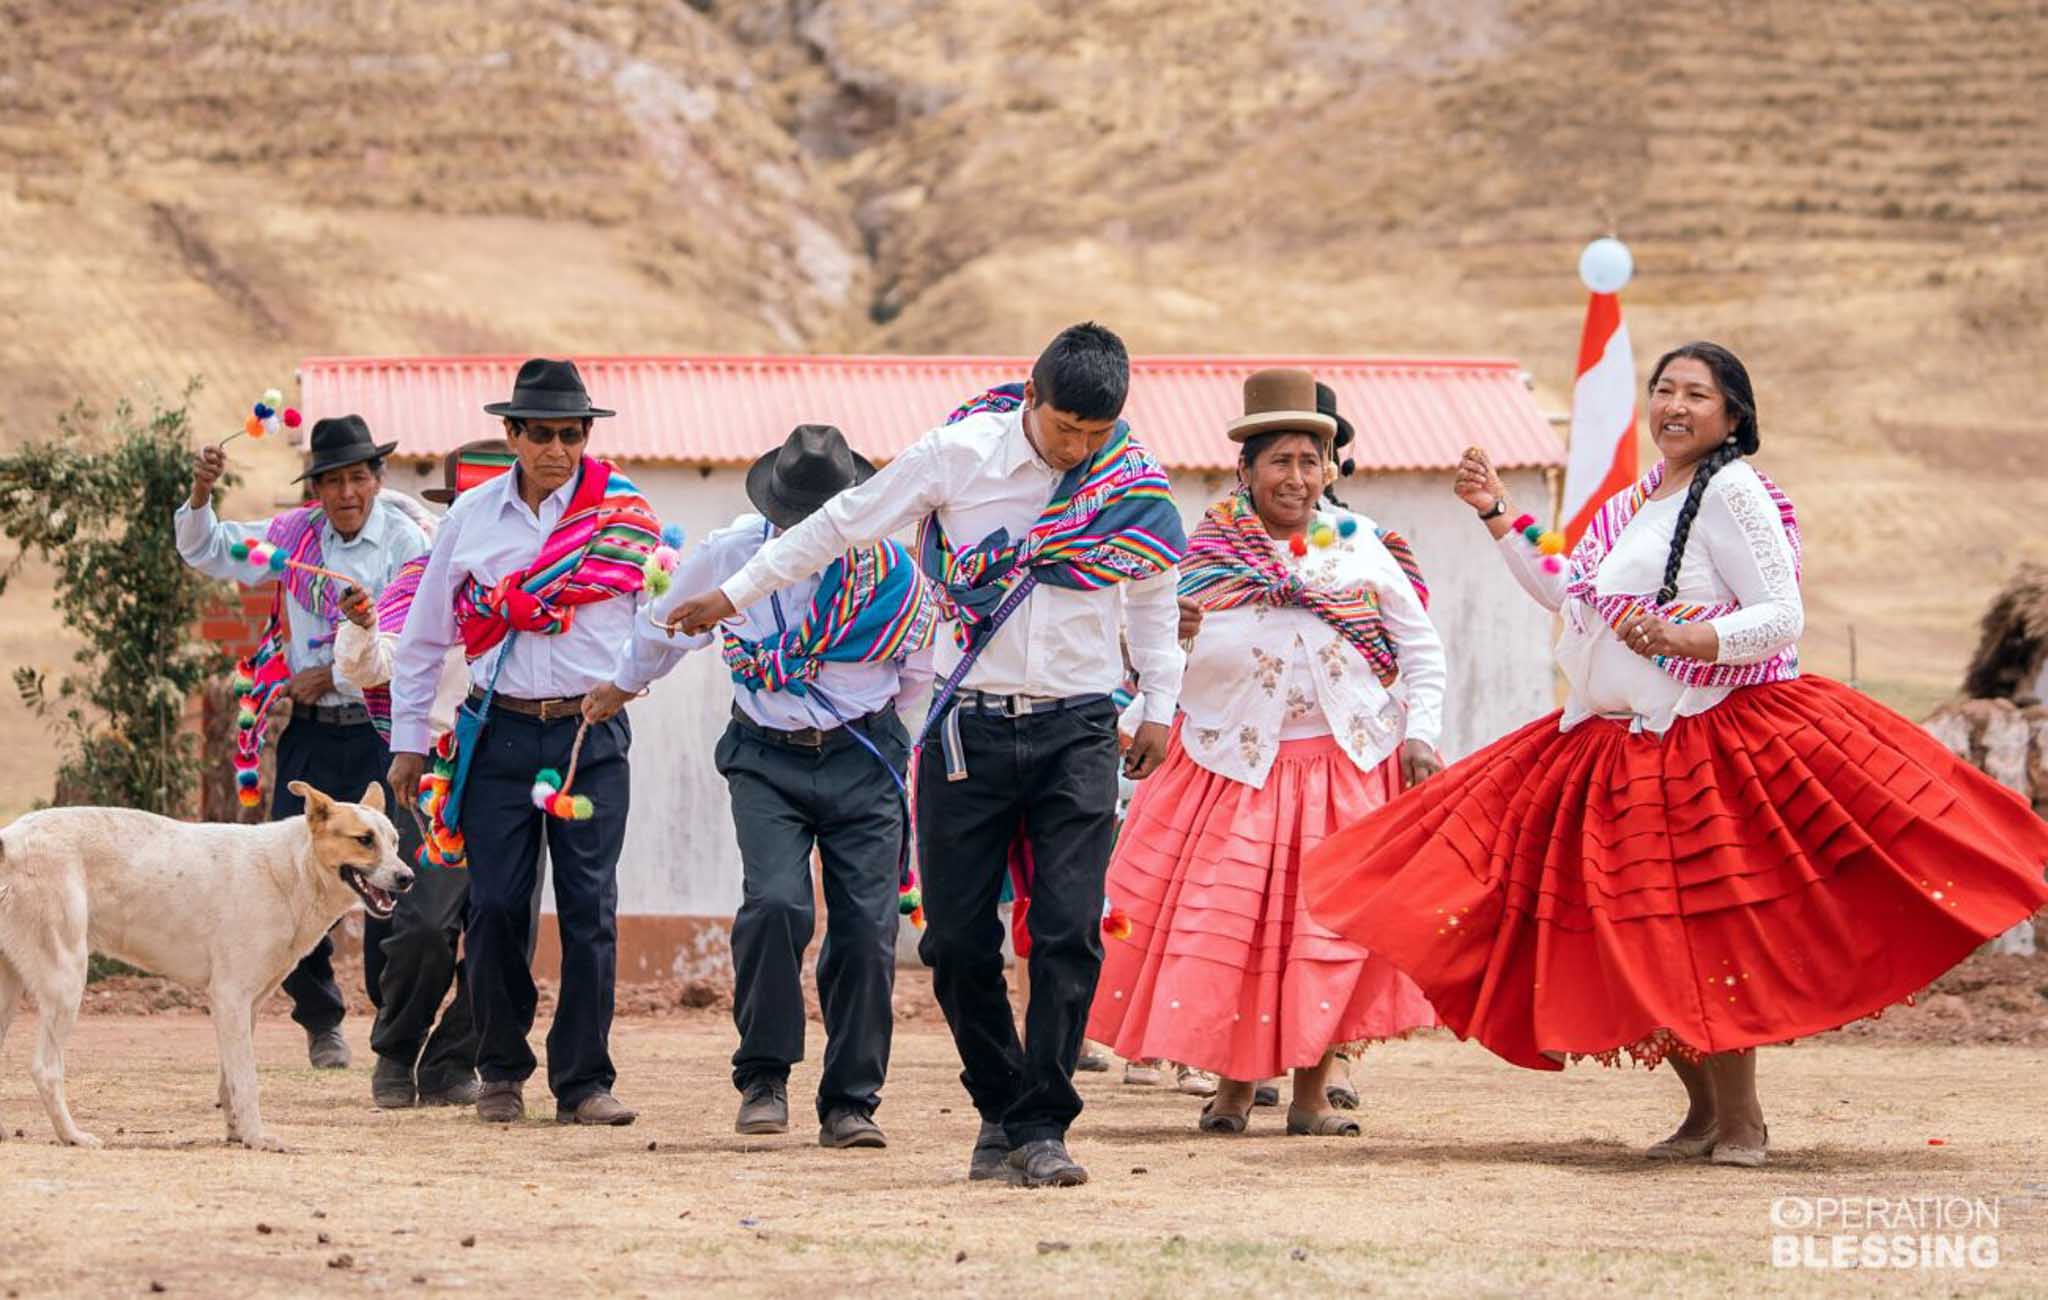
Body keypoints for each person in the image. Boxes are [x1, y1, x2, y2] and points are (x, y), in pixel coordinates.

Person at [1301, 341, 2048, 1167]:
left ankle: (1743, 1122)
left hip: (1709, 741)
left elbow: (1781, 615)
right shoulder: (1642, 498)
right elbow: (1568, 591)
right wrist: (1496, 517)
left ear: (1733, 415)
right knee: (1642, 933)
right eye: (1664, 390)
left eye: (1697, 393)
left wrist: (1688, 635)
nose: (1675, 406)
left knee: (1702, 934)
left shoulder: (1734, 490)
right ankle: (1700, 1116)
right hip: (1620, 745)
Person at [668, 323, 1187, 1187]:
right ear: (1032, 396)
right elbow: (839, 522)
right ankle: (999, 1105)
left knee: (1067, 932)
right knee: (952, 940)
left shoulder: (1129, 481)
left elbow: (1155, 600)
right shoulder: (958, 456)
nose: (1078, 450)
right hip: (966, 730)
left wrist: (1160, 710)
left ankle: (1045, 1122)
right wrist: (735, 591)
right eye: (1066, 429)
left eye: (1096, 435)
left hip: (1080, 727)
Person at [1087, 368, 1442, 1137]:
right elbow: (1145, 650)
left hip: (1344, 768)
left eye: (1311, 461)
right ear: (1244, 471)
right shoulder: (1198, 560)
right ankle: (1233, 1089)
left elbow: (1420, 648)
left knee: (1323, 934)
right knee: (1237, 931)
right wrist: (1168, 647)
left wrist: (1421, 732)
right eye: (1279, 461)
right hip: (1233, 767)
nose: (1297, 477)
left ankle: (1313, 1097)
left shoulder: (1364, 547)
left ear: (1332, 471)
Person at [603, 424, 937, 1149]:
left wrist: (859, 718)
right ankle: (764, 1075)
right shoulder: (731, 554)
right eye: (792, 516)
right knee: (776, 903)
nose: (804, 530)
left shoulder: (891, 574)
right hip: (766, 757)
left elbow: (914, 675)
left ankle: (851, 1101)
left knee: (865, 930)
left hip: (862, 754)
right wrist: (622, 685)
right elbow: (668, 625)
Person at [387, 358, 661, 1128]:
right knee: (498, 907)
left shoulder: (624, 517)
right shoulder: (471, 519)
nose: (558, 450)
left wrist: (634, 680)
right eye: (540, 434)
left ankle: (584, 1083)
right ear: (511, 434)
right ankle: (500, 1068)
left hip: (590, 736)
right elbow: (425, 635)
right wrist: (411, 742)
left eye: (571, 435)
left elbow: (662, 616)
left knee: (588, 909)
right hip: (499, 732)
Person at [177, 414, 429, 1070]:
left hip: (384, 734)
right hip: (314, 738)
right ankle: (320, 1020)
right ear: (314, 489)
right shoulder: (292, 539)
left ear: (377, 479)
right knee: (289, 875)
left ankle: (392, 1031)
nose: (346, 492)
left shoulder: (406, 543)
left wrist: (335, 671)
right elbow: (211, 550)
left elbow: (408, 637)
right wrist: (201, 497)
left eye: (357, 477)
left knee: (390, 872)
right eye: (332, 481)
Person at [330, 443, 510, 1108]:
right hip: (431, 768)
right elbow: (375, 665)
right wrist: (364, 624)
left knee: (505, 925)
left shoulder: (544, 586)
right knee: (427, 923)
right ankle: (398, 1049)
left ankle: (452, 1059)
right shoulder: (419, 582)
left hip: (517, 763)